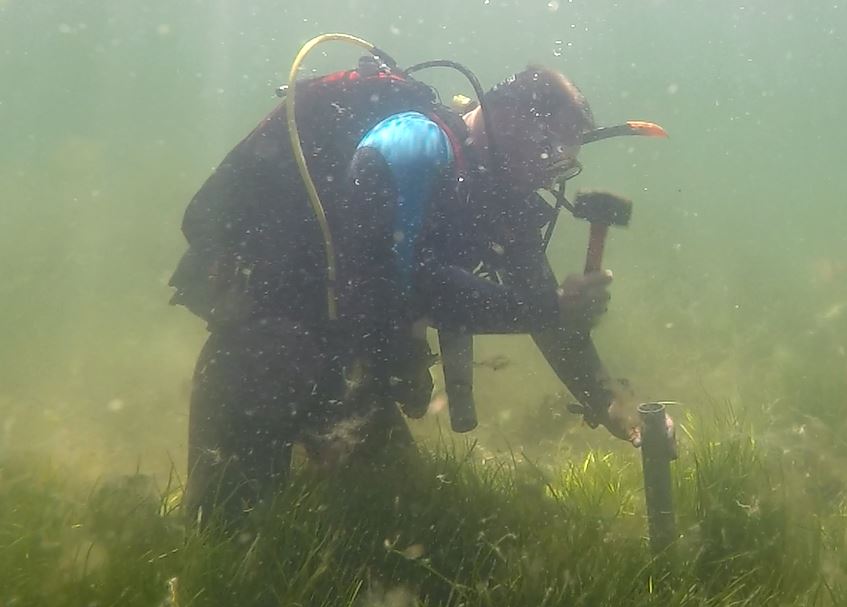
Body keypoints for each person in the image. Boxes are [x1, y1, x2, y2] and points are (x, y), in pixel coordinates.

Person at [170, 56, 650, 524]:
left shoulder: (501, 194)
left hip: (343, 354)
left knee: (398, 515)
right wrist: (548, 306)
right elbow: (408, 281)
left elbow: (545, 311)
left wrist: (611, 404)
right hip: (266, 334)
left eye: (567, 154)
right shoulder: (412, 142)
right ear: (503, 115)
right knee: (229, 528)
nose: (554, 165)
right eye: (548, 143)